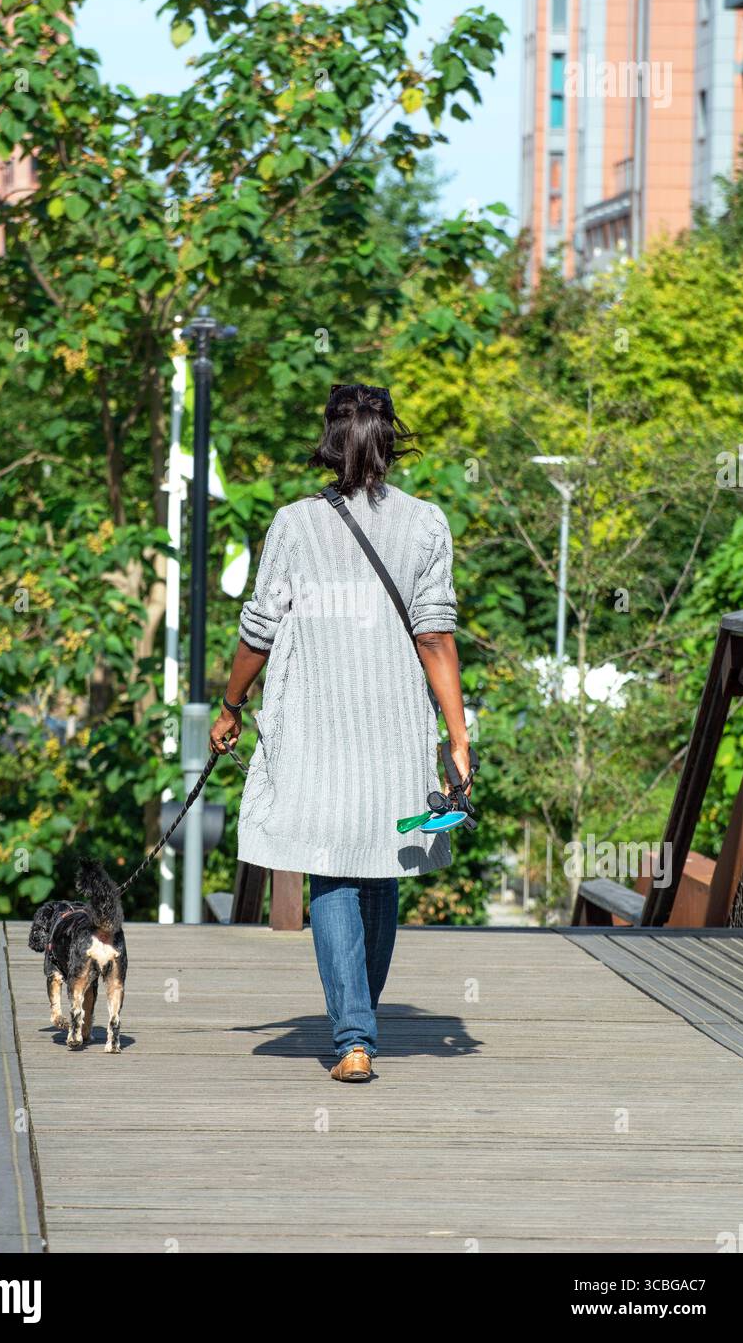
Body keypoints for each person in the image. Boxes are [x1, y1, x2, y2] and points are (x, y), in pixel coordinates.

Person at [210, 383, 471, 1082]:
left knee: (330, 867)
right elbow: (436, 639)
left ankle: (354, 1033)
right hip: (393, 728)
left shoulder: (294, 525)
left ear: (330, 439)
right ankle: (358, 1022)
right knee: (382, 869)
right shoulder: (426, 523)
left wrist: (231, 704)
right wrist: (458, 736)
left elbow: (257, 633)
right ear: (389, 438)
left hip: (317, 727)